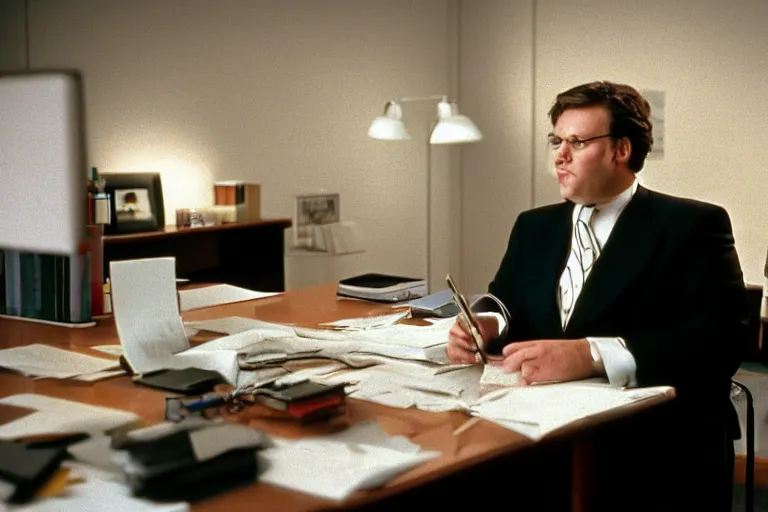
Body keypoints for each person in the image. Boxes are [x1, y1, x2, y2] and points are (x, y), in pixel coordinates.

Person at [446, 81, 747, 510]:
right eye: (557, 140)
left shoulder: (692, 225)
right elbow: (505, 297)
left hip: (654, 453)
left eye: (576, 141)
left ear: (621, 150)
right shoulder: (534, 226)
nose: (559, 155)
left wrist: (588, 355)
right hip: (538, 435)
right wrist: (487, 322)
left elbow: (718, 342)